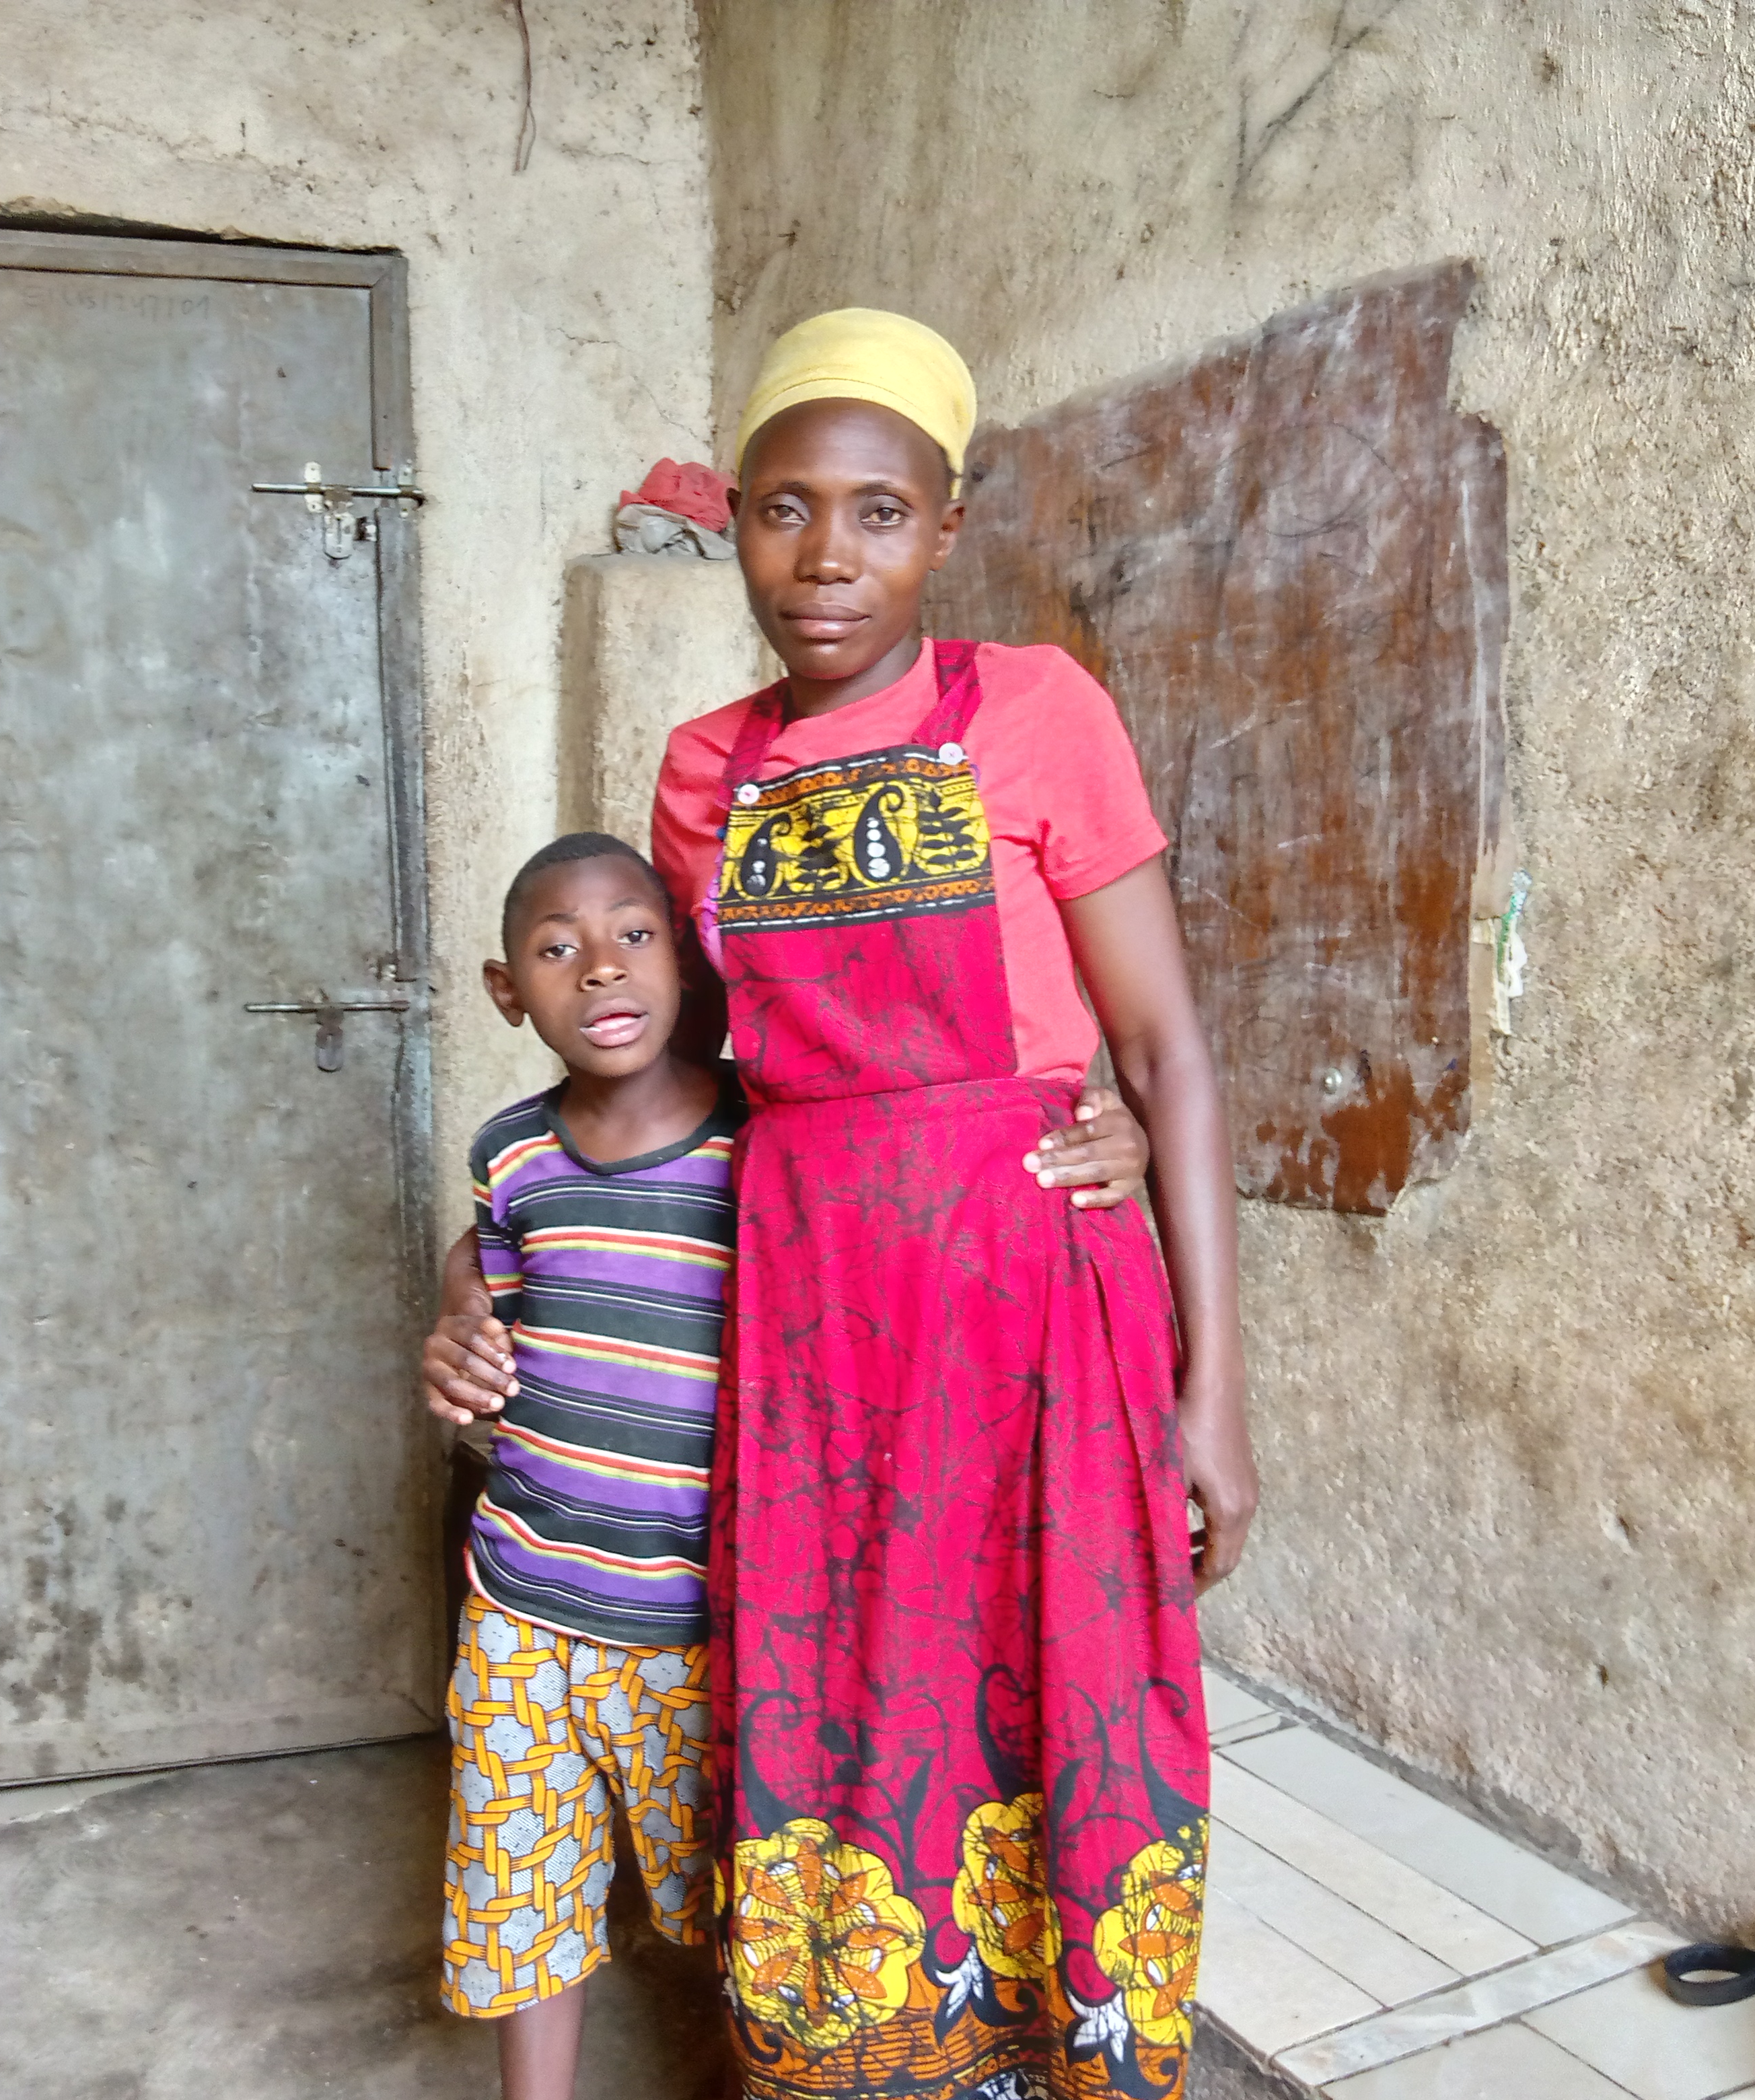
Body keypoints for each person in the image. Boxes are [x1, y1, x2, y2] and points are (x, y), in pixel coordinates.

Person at [659, 308, 1255, 2100]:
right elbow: (679, 1073)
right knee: (836, 1690)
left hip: (1035, 1302)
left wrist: (1215, 1393)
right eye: (783, 508)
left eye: (876, 511)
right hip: (812, 1313)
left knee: (1063, 1684)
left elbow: (1164, 1053)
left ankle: (1064, 2059)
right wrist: (493, 1241)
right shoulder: (703, 774)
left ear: (945, 523)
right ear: (738, 522)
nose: (826, 556)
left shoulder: (1040, 713)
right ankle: (860, 2057)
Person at [431, 831, 745, 2100]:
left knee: (738, 1905)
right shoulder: (513, 1155)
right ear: (510, 992)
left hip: (697, 1624)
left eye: (633, 936)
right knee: (524, 1895)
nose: (601, 973)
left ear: (685, 956)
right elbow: (485, 1295)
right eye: (557, 951)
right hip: (521, 1604)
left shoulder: (764, 1134)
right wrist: (455, 1328)